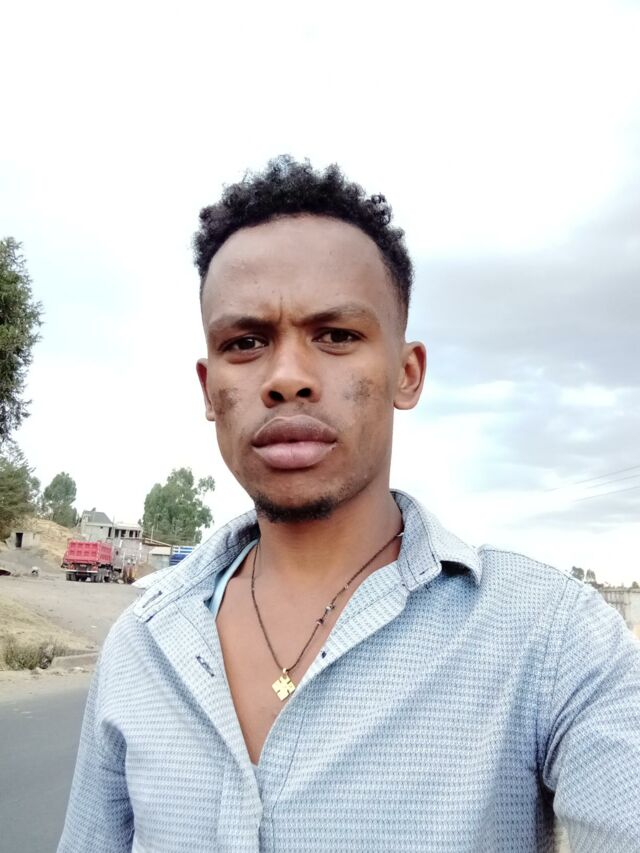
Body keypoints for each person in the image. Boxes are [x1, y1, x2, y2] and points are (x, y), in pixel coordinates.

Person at [58, 157, 640, 852]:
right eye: (246, 343)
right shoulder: (142, 644)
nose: (287, 378)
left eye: (336, 335)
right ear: (209, 389)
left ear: (407, 373)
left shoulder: (551, 639)